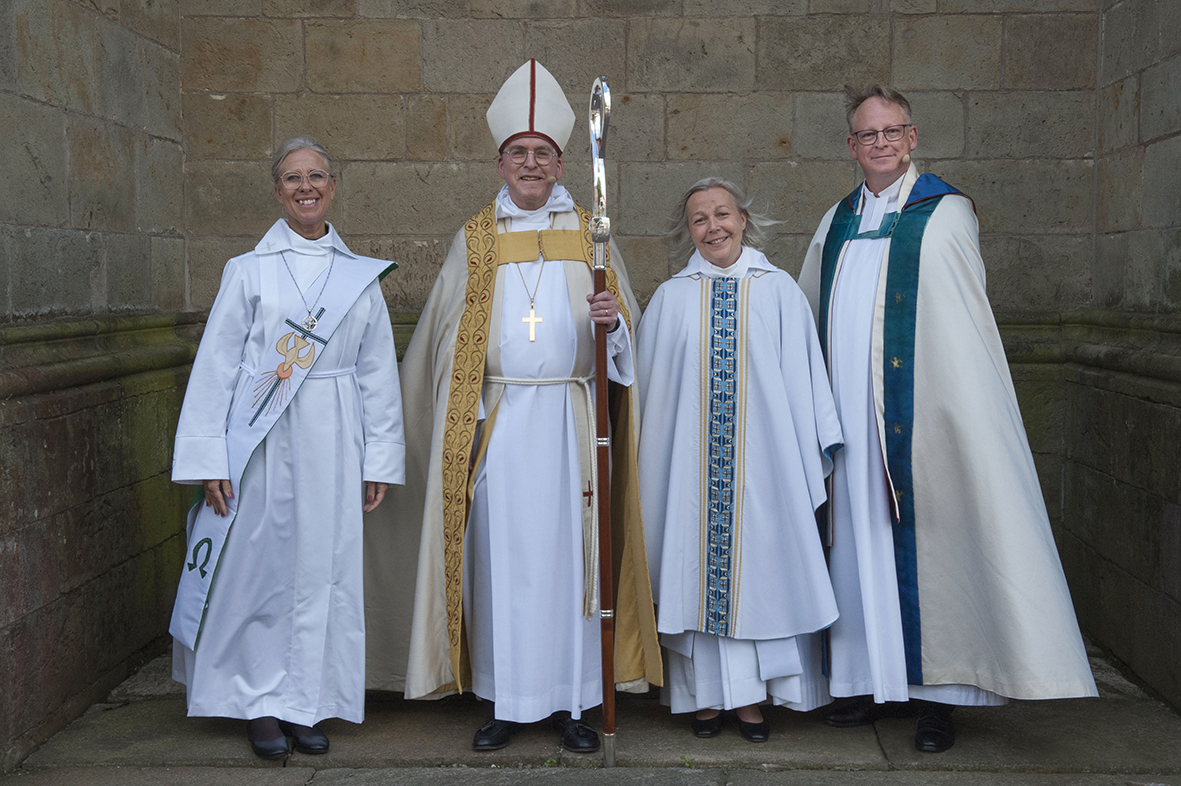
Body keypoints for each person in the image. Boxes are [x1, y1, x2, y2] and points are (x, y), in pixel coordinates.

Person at [364, 59, 661, 753]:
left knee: (572, 565)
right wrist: (461, 411)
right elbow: (445, 339)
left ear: (560, 164)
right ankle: (503, 700)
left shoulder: (591, 232)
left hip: (571, 424)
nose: (531, 164)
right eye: (518, 153)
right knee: (498, 563)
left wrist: (612, 324)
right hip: (496, 423)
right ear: (500, 163)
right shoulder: (474, 239)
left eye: (542, 153)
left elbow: (627, 341)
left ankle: (572, 702)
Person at [798, 85, 1097, 753]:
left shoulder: (946, 212)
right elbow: (807, 309)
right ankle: (865, 682)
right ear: (851, 146)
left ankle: (939, 698)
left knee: (937, 547)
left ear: (911, 138)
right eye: (866, 134)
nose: (879, 143)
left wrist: (954, 417)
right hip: (850, 422)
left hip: (926, 419)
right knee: (856, 547)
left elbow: (962, 329)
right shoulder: (835, 221)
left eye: (890, 131)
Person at [169, 137, 405, 759]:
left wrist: (380, 457)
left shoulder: (359, 278)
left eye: (317, 176)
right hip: (261, 440)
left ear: (333, 186)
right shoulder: (248, 270)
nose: (307, 187)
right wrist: (209, 458)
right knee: (259, 572)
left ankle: (307, 701)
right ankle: (258, 702)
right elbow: (216, 366)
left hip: (336, 439)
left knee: (324, 573)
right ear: (278, 191)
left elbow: (377, 371)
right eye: (294, 178)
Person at [637, 179, 843, 742]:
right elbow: (648, 393)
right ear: (688, 232)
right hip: (691, 475)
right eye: (699, 219)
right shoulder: (670, 298)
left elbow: (803, 382)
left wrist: (804, 455)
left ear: (744, 219)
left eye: (722, 214)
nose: (714, 228)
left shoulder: (779, 292)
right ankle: (704, 699)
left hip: (765, 470)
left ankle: (753, 701)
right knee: (694, 568)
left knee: (762, 575)